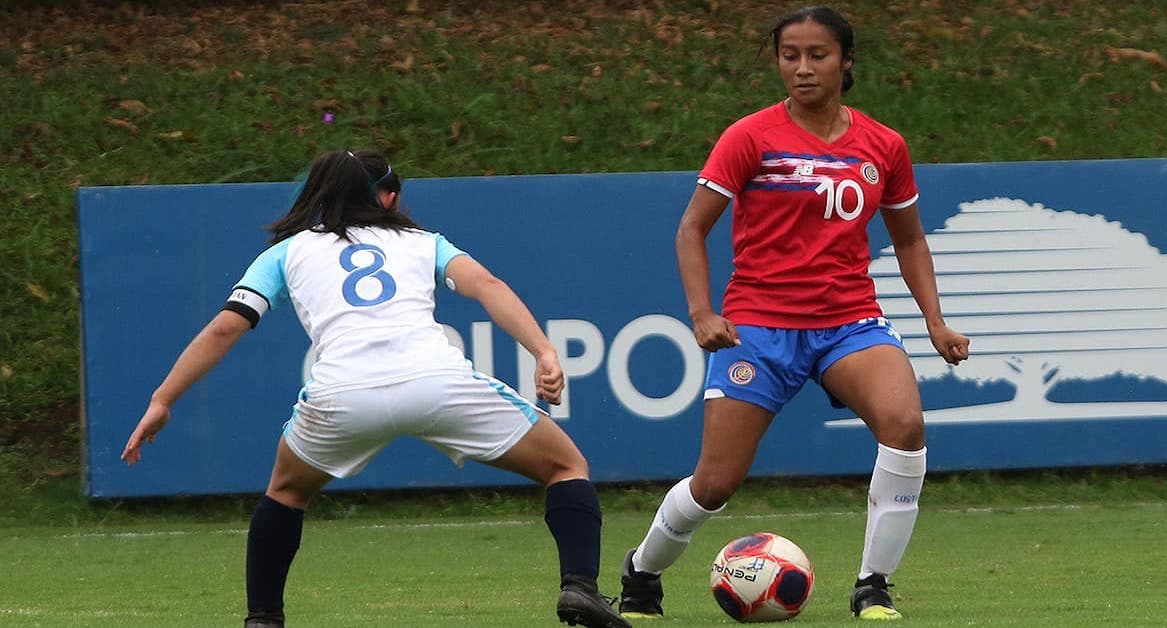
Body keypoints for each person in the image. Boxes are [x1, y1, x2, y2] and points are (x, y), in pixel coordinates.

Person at [121, 150, 631, 628]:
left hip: (341, 396)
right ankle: (580, 585)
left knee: (286, 492)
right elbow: (488, 287)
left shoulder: (287, 252)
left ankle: (263, 619)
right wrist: (542, 351)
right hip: (437, 382)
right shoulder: (423, 240)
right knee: (565, 467)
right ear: (385, 197)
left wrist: (162, 401)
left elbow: (223, 329)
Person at [618, 6, 970, 621]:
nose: (802, 68)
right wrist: (702, 313)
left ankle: (873, 585)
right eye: (790, 56)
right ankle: (641, 572)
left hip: (849, 321)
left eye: (818, 55)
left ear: (846, 61)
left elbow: (910, 239)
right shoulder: (749, 136)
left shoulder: (883, 145)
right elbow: (691, 230)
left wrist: (934, 321)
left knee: (905, 425)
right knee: (715, 483)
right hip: (758, 325)